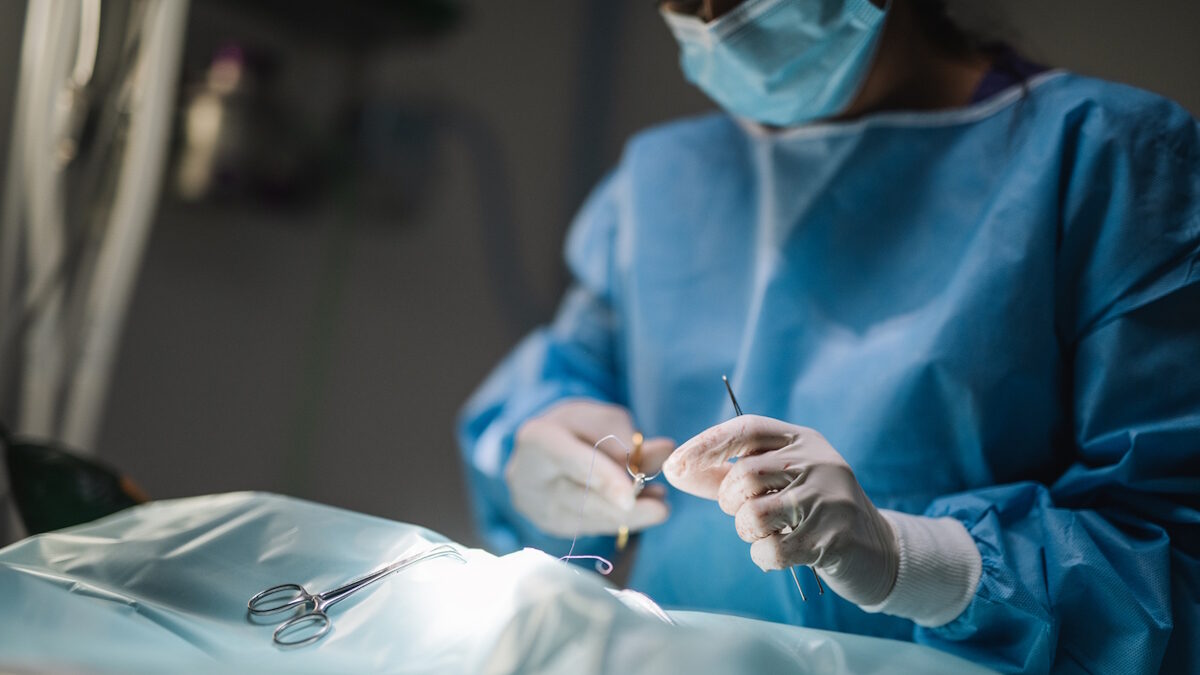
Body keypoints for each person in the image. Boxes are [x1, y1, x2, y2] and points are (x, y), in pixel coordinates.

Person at [457, 1, 1200, 672]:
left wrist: (915, 560)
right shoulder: (662, 180)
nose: (716, 19)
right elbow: (567, 379)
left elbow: (1174, 571)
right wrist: (541, 442)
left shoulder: (1109, 161)